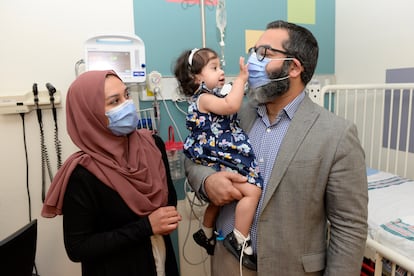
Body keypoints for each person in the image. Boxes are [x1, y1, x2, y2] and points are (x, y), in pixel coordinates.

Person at [185, 20, 368, 276]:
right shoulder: (233, 112)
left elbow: (349, 227)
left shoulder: (336, 135)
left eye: (264, 54)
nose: (251, 62)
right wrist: (207, 182)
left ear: (293, 67)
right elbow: (193, 158)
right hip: (227, 260)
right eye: (253, 51)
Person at [41, 70, 182, 276]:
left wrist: (165, 219)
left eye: (126, 95)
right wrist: (145, 227)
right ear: (90, 114)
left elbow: (169, 200)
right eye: (114, 101)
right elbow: (77, 247)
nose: (127, 105)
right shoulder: (82, 174)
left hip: (162, 261)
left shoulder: (153, 145)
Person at [174, 48, 263, 270]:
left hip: (215, 153)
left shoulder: (211, 96)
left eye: (220, 66)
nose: (221, 71)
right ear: (197, 77)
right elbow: (231, 106)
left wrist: (233, 87)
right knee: (253, 191)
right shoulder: (204, 98)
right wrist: (242, 79)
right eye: (214, 68)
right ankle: (240, 238)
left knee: (218, 199)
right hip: (219, 152)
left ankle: (205, 233)